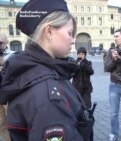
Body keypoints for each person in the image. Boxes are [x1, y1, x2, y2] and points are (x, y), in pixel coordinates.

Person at [0, 0, 94, 140]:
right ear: (49, 31)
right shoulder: (48, 95)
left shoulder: (35, 71)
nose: (73, 40)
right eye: (69, 33)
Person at [72, 47, 94, 141]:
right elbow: (71, 73)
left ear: (85, 55)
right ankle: (77, 125)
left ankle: (87, 123)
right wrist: (76, 65)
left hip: (86, 89)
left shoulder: (88, 63)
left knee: (87, 107)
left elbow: (91, 72)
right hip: (76, 89)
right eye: (79, 54)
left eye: (82, 54)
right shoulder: (75, 62)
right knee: (76, 108)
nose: (80, 55)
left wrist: (83, 64)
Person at [0, 32, 13, 141]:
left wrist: (4, 62)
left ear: (6, 43)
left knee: (14, 120)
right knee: (2, 124)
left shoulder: (13, 55)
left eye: (0, 43)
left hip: (9, 95)